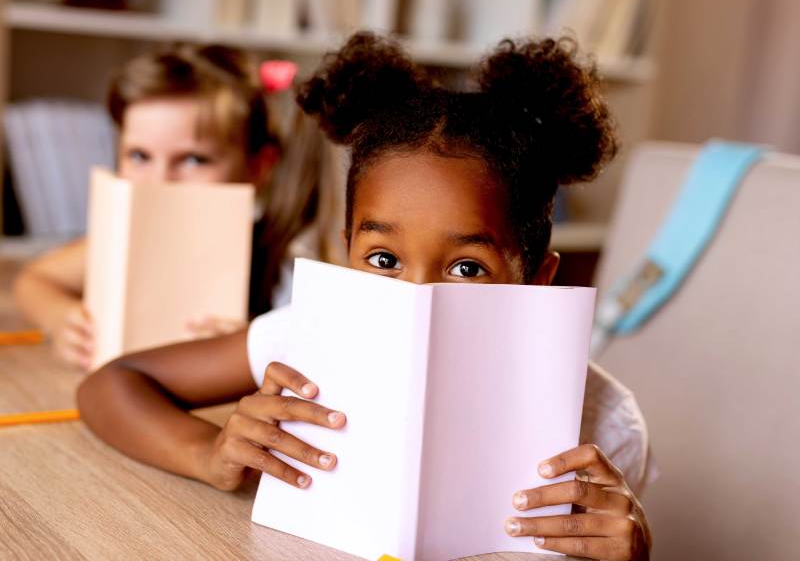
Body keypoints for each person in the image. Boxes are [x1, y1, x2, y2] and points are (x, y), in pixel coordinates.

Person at [78, 33, 653, 560]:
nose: (417, 297)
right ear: (346, 250)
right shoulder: (304, 341)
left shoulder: (605, 427)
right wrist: (209, 456)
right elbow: (112, 385)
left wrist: (633, 551)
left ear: (536, 280)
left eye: (466, 267)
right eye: (383, 260)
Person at [13, 43, 343, 369]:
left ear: (258, 167)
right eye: (140, 156)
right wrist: (60, 319)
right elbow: (34, 279)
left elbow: (322, 350)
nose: (160, 180)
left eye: (192, 159)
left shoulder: (282, 256)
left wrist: (254, 341)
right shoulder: (125, 238)